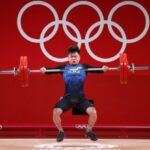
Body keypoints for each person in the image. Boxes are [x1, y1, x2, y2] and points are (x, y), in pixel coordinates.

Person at [40, 45, 109, 142]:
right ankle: (61, 132)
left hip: (81, 99)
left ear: (79, 58)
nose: (73, 58)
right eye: (71, 57)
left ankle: (88, 131)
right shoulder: (63, 67)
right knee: (55, 112)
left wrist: (103, 68)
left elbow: (97, 70)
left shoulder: (84, 67)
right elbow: (50, 71)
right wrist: (44, 70)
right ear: (68, 58)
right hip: (67, 99)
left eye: (75, 56)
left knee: (93, 112)